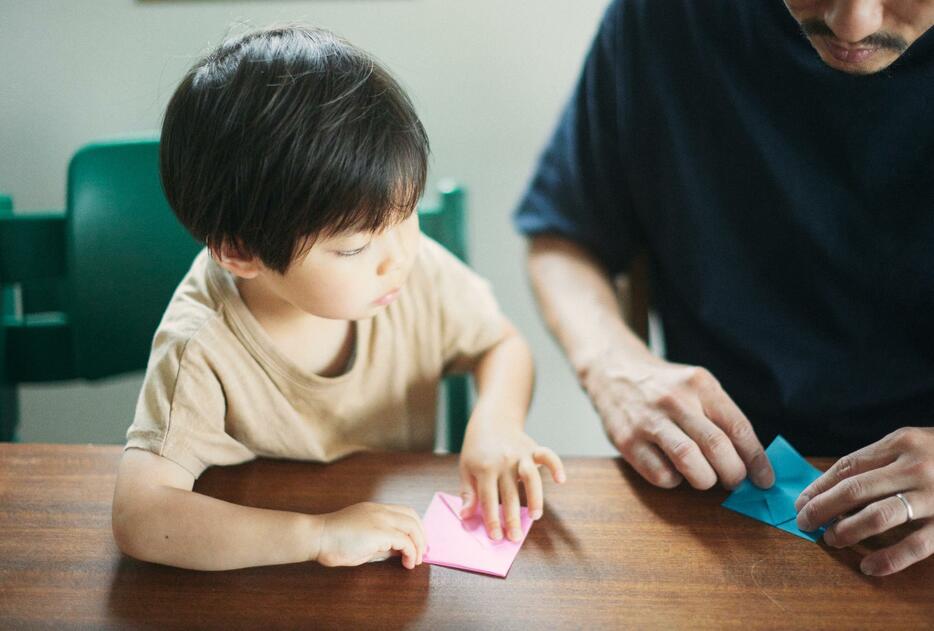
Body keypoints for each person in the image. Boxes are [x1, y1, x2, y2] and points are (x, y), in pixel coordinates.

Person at [112, 25, 565, 572]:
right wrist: (317, 534)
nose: (397, 255)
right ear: (240, 253)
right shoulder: (202, 348)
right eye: (355, 247)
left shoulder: (410, 272)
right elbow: (141, 516)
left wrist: (496, 423)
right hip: (273, 576)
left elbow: (500, 343)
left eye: (407, 213)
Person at [515, 0, 933, 576]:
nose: (852, 23)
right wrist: (612, 365)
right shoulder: (663, 18)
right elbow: (565, 236)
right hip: (715, 484)